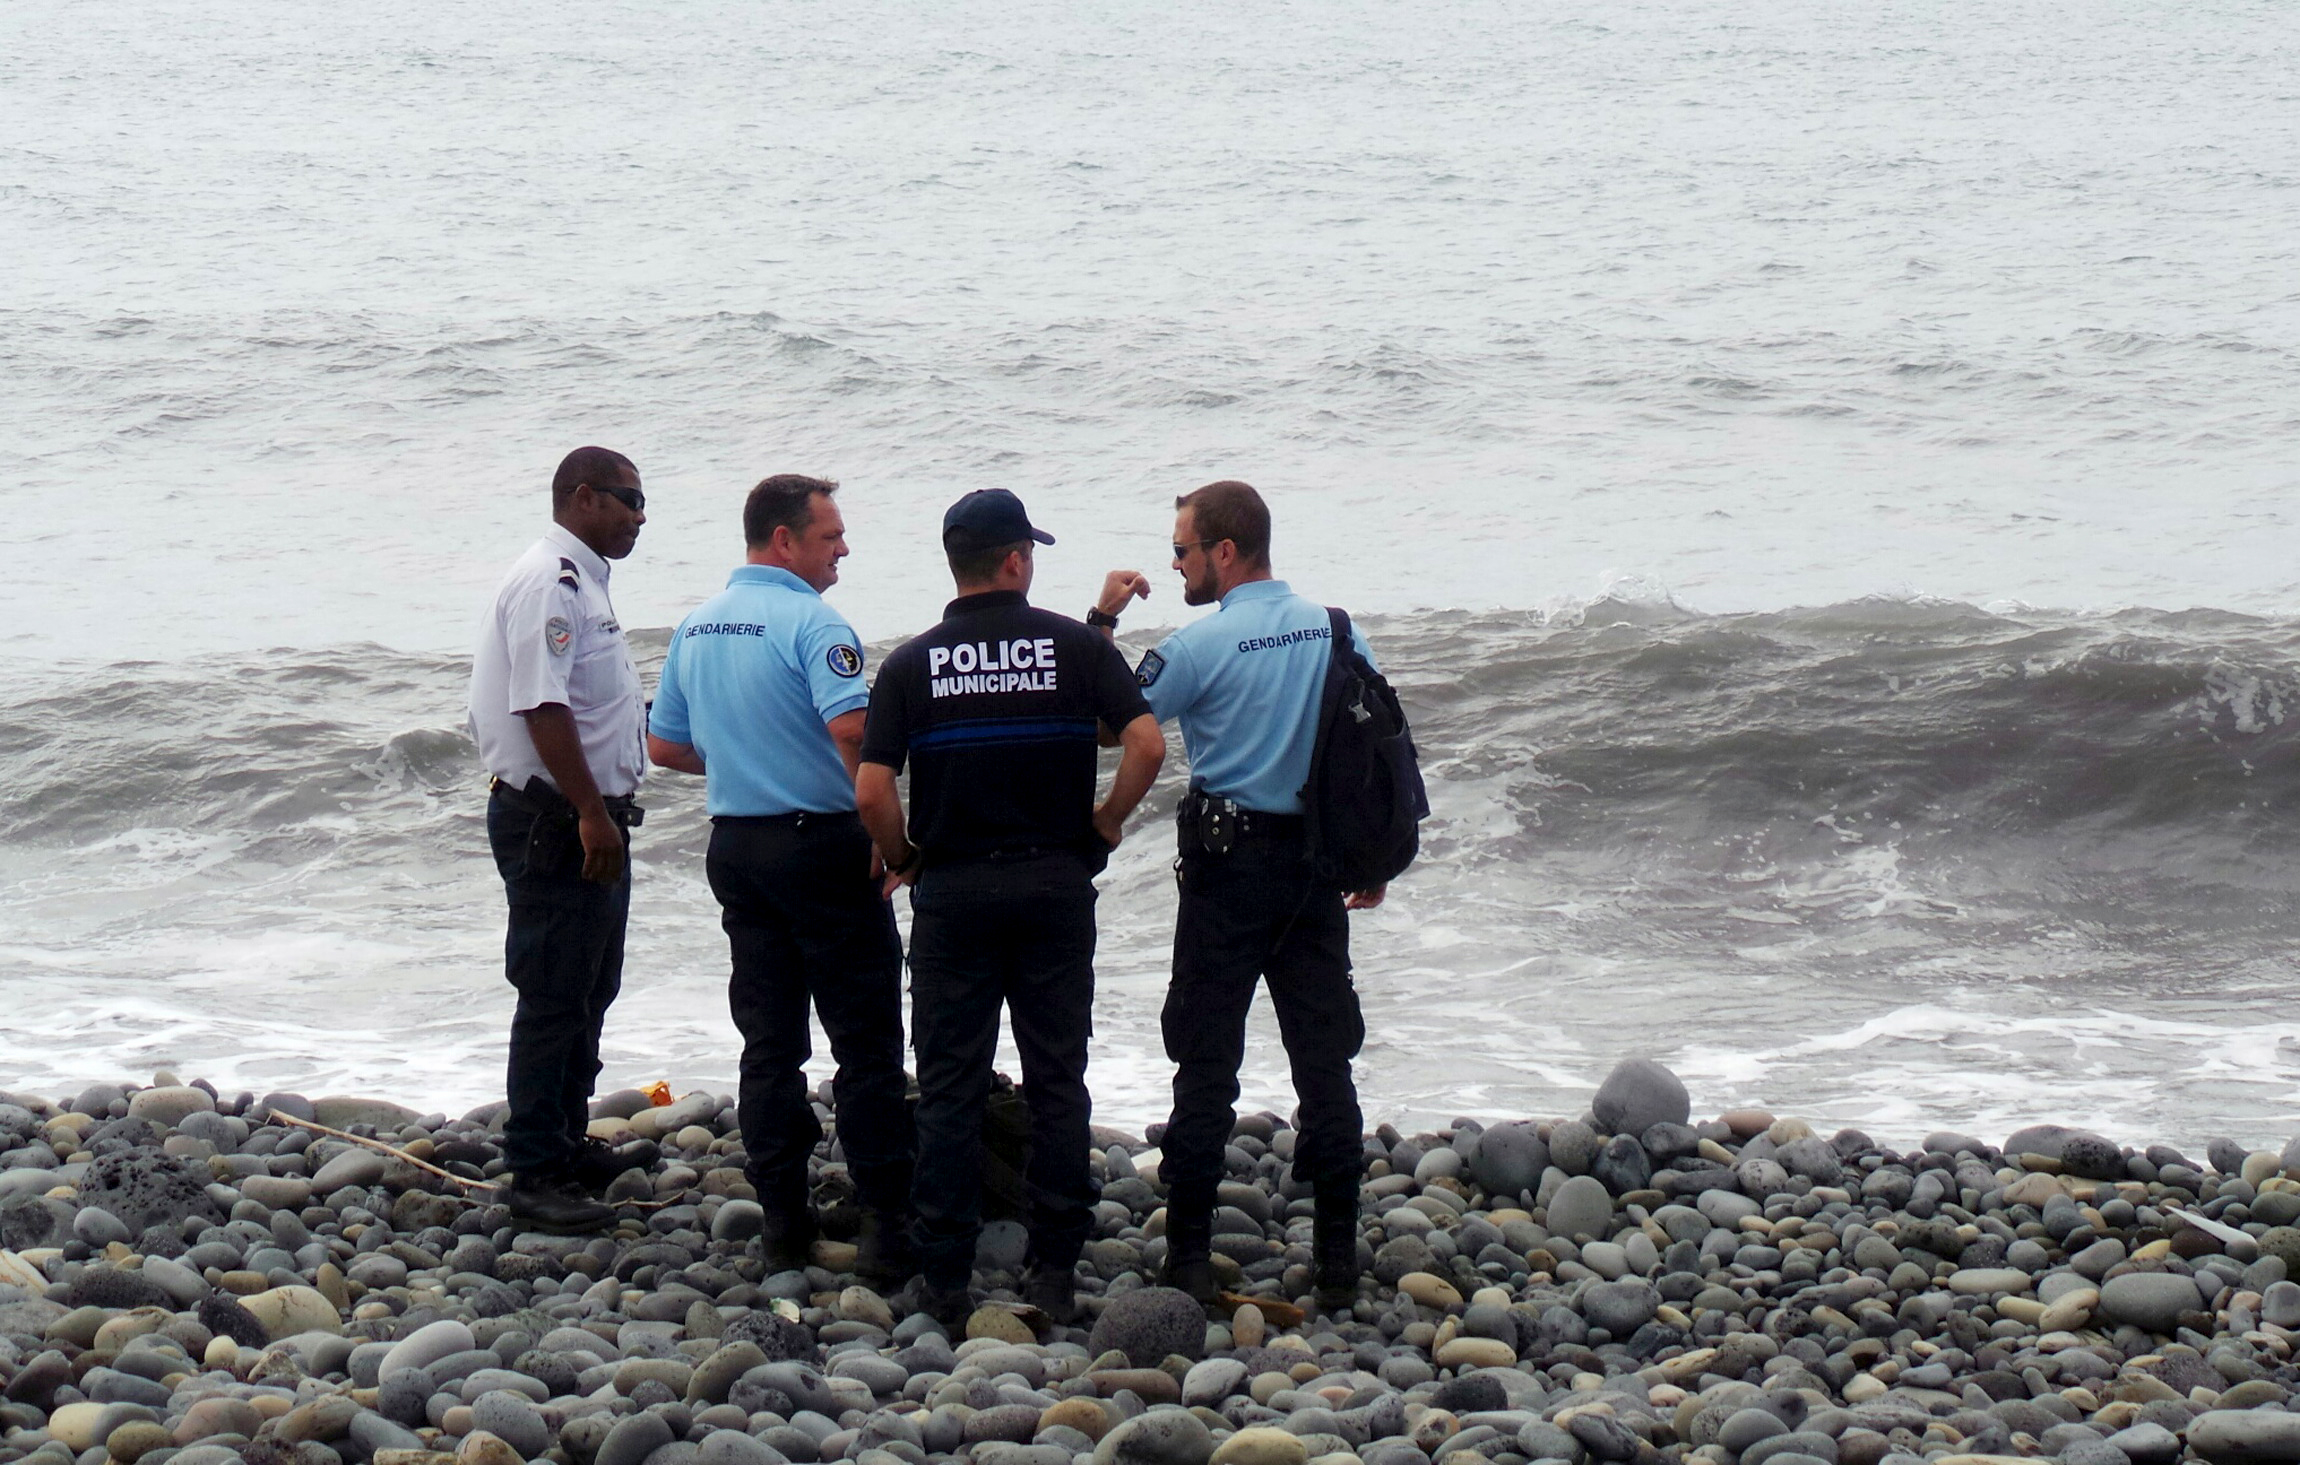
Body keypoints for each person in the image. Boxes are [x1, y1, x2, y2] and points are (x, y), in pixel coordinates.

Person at [857, 488, 1165, 1326]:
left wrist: (903, 857)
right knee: (1057, 1076)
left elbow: (873, 786)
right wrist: (1102, 825)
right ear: (1018, 561)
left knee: (952, 1084)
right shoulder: (1073, 646)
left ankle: (947, 1276)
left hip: (954, 891)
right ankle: (1056, 1267)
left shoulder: (910, 664)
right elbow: (1146, 742)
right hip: (1053, 884)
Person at [1093, 479, 1387, 1312]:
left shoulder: (1198, 647)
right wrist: (1375, 858)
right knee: (1326, 1063)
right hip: (1317, 868)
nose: (1176, 565)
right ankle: (1338, 1264)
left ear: (1225, 551)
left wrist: (1102, 621)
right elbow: (1376, 748)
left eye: (1181, 549)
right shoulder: (1337, 628)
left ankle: (1187, 1258)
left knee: (1205, 1063)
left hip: (1228, 871)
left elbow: (1109, 722)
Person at [645, 475, 916, 1277]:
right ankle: (886, 1228)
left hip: (739, 845)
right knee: (866, 1043)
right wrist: (886, 830)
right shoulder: (812, 620)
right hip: (821, 844)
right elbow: (854, 727)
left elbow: (665, 747)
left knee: (769, 1042)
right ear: (783, 540)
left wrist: (741, 760)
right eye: (829, 535)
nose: (842, 548)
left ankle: (782, 1221)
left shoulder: (696, 625)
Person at [468, 445, 659, 1231]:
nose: (640, 516)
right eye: (628, 500)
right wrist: (586, 809)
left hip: (591, 813)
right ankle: (535, 1166)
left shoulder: (586, 581)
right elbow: (541, 707)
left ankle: (567, 1133)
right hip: (555, 817)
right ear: (583, 498)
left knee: (591, 981)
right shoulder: (552, 579)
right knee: (552, 989)